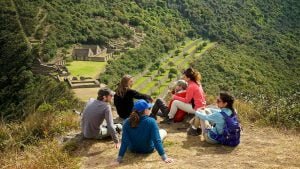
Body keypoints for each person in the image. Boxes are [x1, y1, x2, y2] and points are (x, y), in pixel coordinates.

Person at [116, 99, 173, 164]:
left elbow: (124, 141)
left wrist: (118, 159)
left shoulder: (126, 122)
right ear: (145, 110)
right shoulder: (151, 121)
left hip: (132, 149)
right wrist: (164, 158)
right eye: (149, 108)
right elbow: (156, 141)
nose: (150, 109)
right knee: (163, 131)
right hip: (148, 149)